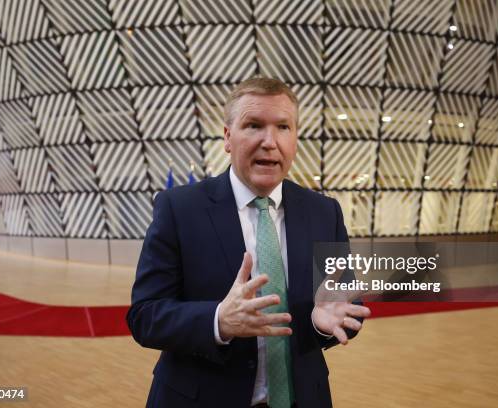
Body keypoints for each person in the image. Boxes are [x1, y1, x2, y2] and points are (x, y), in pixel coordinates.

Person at [127, 77, 371, 408]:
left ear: (295, 137)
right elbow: (145, 316)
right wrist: (217, 321)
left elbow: (343, 308)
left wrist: (322, 324)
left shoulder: (325, 213)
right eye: (254, 125)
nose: (270, 141)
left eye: (283, 127)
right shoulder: (178, 209)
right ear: (228, 137)